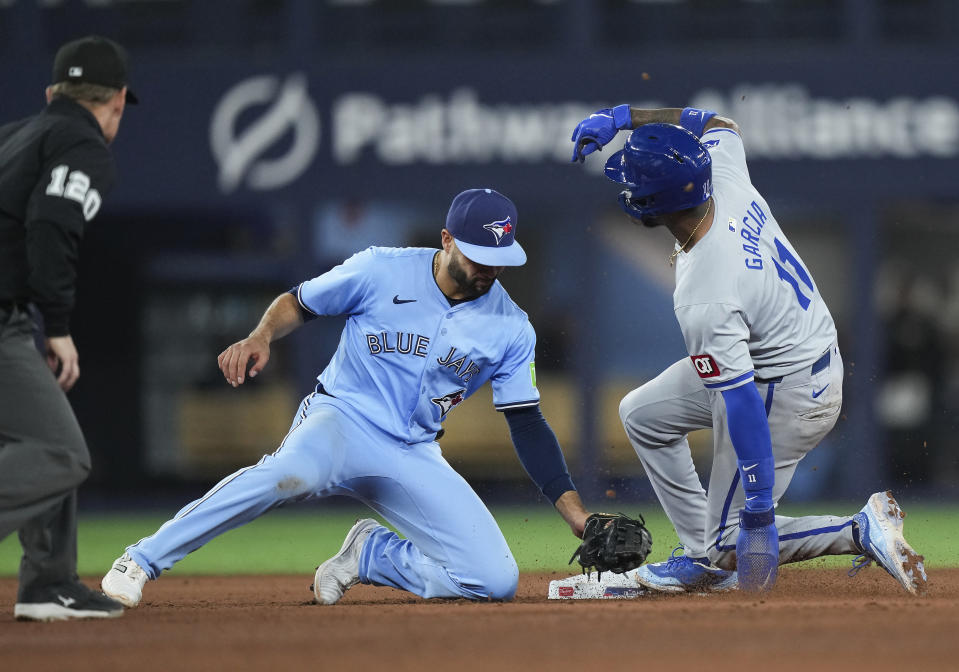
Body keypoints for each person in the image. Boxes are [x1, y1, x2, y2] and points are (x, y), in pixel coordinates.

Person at [101, 188, 591, 607]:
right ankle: (141, 558)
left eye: (498, 258)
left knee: (495, 582)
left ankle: (372, 555)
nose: (489, 268)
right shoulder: (381, 269)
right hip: (341, 418)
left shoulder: (511, 326)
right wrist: (261, 336)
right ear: (446, 240)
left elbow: (526, 422)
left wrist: (576, 515)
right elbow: (298, 301)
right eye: (477, 255)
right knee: (285, 478)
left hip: (413, 450)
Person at [556, 105, 927, 596]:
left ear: (651, 205)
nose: (624, 189)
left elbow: (743, 405)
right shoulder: (721, 177)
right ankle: (705, 560)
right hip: (791, 357)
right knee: (641, 414)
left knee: (733, 541)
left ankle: (857, 529)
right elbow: (716, 123)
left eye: (632, 184)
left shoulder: (704, 293)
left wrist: (757, 511)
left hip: (784, 391)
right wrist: (625, 116)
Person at [0, 35, 138, 621]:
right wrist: (56, 324)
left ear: (52, 92)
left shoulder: (13, 136)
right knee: (61, 452)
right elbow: (53, 224)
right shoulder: (82, 143)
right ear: (117, 102)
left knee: (43, 435)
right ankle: (47, 582)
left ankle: (47, 583)